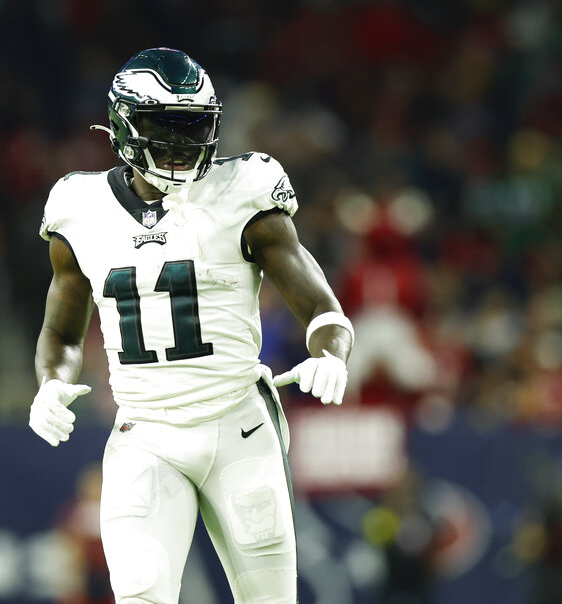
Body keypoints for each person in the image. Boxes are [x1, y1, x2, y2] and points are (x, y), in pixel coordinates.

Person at [29, 47, 353, 604]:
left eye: (194, 126)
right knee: (142, 594)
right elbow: (61, 332)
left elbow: (324, 310)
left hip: (239, 424)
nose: (183, 143)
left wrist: (330, 354)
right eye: (165, 126)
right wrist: (51, 382)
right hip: (146, 432)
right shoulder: (79, 209)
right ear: (125, 127)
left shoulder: (242, 193)